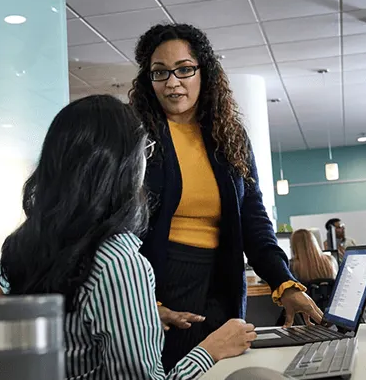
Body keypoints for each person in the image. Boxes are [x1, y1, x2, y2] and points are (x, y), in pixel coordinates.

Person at [0, 95, 257, 379]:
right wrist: (211, 349)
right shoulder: (119, 264)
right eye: (145, 150)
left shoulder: (25, 248)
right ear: (124, 166)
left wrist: (138, 316)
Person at [128, 23, 322, 370]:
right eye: (160, 73)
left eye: (184, 69)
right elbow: (118, 228)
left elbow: (254, 221)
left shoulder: (229, 136)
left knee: (226, 371)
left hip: (221, 281)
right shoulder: (136, 137)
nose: (173, 83)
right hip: (157, 285)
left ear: (205, 70)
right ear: (148, 79)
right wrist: (143, 302)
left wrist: (285, 283)